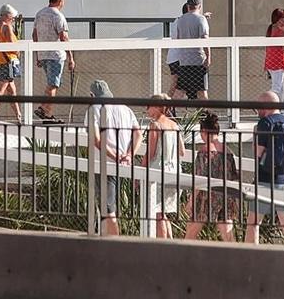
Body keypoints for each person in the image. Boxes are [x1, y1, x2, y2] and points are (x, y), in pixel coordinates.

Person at [85, 79, 139, 235]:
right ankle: (108, 237)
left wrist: (114, 156)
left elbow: (96, 139)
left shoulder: (94, 108)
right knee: (111, 206)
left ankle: (114, 243)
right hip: (124, 164)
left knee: (108, 208)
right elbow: (138, 133)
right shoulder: (124, 108)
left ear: (91, 95)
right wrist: (129, 155)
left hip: (104, 164)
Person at [247, 91, 284, 245]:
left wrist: (255, 134)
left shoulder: (265, 123)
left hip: (264, 180)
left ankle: (250, 258)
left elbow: (257, 152)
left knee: (253, 223)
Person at [185, 113, 241, 241]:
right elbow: (233, 176)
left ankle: (185, 258)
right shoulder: (227, 152)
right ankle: (236, 259)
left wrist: (191, 200)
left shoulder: (204, 151)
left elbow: (200, 178)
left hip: (206, 197)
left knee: (191, 232)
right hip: (225, 195)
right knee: (228, 235)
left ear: (204, 131)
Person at [139, 97, 185, 238]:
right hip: (174, 172)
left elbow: (151, 153)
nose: (147, 109)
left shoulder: (155, 125)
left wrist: (140, 171)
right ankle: (171, 243)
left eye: (149, 106)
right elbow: (182, 151)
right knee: (163, 213)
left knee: (157, 212)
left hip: (158, 172)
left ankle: (163, 245)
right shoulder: (174, 125)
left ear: (157, 107)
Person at [32, 0, 74, 120]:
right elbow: (64, 37)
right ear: (60, 1)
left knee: (52, 84)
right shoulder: (58, 16)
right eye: (63, 2)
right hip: (55, 55)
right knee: (53, 84)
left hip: (43, 54)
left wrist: (38, 55)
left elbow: (34, 35)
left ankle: (47, 114)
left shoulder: (39, 14)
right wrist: (71, 57)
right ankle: (43, 109)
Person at [0, 4, 25, 123]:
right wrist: (18, 51)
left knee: (12, 90)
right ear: (7, 16)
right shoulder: (7, 27)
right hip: (7, 62)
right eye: (12, 17)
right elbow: (12, 45)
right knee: (1, 89)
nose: (13, 19)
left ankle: (18, 115)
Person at [169, 0, 212, 98]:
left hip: (184, 61)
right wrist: (208, 56)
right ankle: (207, 111)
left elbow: (178, 38)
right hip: (198, 60)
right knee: (202, 89)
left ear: (188, 6)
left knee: (181, 89)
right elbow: (204, 38)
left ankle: (169, 108)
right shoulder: (201, 19)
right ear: (199, 6)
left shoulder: (181, 20)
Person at [262, 8, 284, 100]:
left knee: (281, 88)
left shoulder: (270, 29)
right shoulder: (281, 31)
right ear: (278, 19)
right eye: (283, 18)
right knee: (276, 88)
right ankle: (260, 103)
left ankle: (280, 108)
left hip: (270, 62)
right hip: (278, 63)